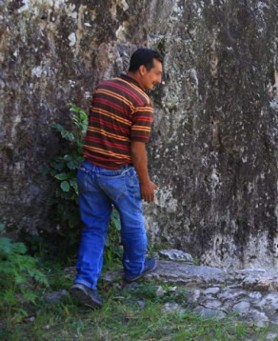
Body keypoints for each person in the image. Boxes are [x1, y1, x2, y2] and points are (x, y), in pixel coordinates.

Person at [69, 48, 163, 309]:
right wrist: (144, 181)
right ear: (142, 70)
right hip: (117, 174)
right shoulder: (141, 102)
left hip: (89, 170)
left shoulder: (104, 86)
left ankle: (85, 282)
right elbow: (137, 148)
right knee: (132, 221)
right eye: (156, 74)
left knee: (94, 227)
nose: (158, 80)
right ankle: (134, 269)